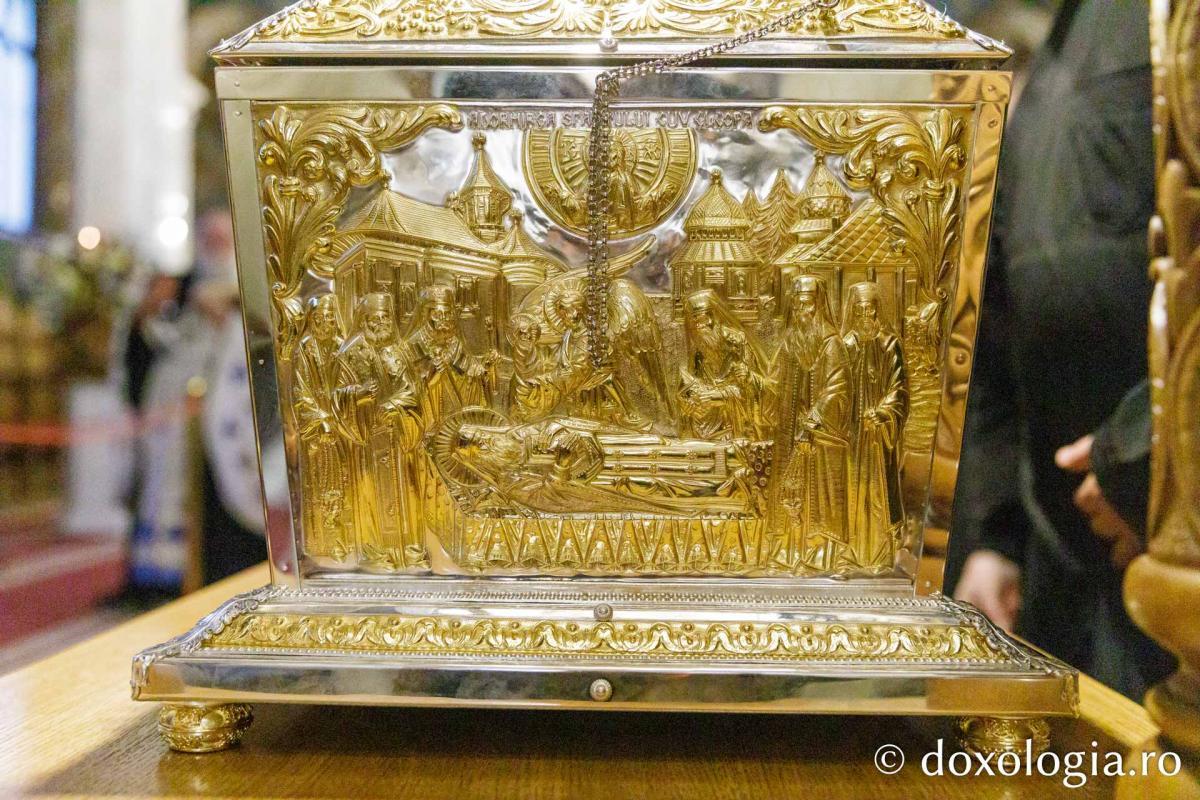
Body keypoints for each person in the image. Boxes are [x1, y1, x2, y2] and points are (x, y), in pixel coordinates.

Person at [949, 0, 1175, 699]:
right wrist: (997, 537)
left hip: (1166, 546)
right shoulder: (1067, 44)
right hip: (1065, 568)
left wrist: (1141, 452)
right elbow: (999, 318)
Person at [334, 292, 426, 570]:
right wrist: (359, 394)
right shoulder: (350, 355)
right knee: (370, 495)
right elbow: (337, 396)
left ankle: (410, 550)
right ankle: (375, 552)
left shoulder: (395, 351)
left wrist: (394, 405)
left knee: (407, 493)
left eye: (386, 317)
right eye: (375, 318)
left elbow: (411, 391)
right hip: (368, 441)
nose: (381, 322)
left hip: (398, 435)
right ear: (363, 320)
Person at [767, 275, 849, 572]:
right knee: (790, 493)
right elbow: (776, 381)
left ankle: (820, 554)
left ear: (819, 305)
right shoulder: (790, 341)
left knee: (819, 495)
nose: (803, 311)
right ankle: (788, 552)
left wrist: (813, 420)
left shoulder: (831, 343)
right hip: (791, 430)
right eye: (799, 305)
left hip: (820, 436)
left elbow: (837, 388)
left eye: (808, 305)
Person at [841, 281, 907, 572]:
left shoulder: (889, 344)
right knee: (852, 491)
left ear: (877, 311)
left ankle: (880, 556)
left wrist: (882, 412)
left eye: (870, 310)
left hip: (878, 434)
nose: (865, 316)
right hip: (852, 433)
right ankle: (850, 555)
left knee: (878, 493)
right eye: (860, 310)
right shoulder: (847, 345)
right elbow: (836, 386)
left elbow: (899, 388)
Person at [678, 288, 769, 440]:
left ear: (715, 317)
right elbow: (692, 387)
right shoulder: (698, 351)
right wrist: (688, 404)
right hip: (706, 426)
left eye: (702, 320)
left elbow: (751, 392)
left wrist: (719, 396)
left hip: (736, 426)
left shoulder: (737, 344)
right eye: (694, 322)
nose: (699, 327)